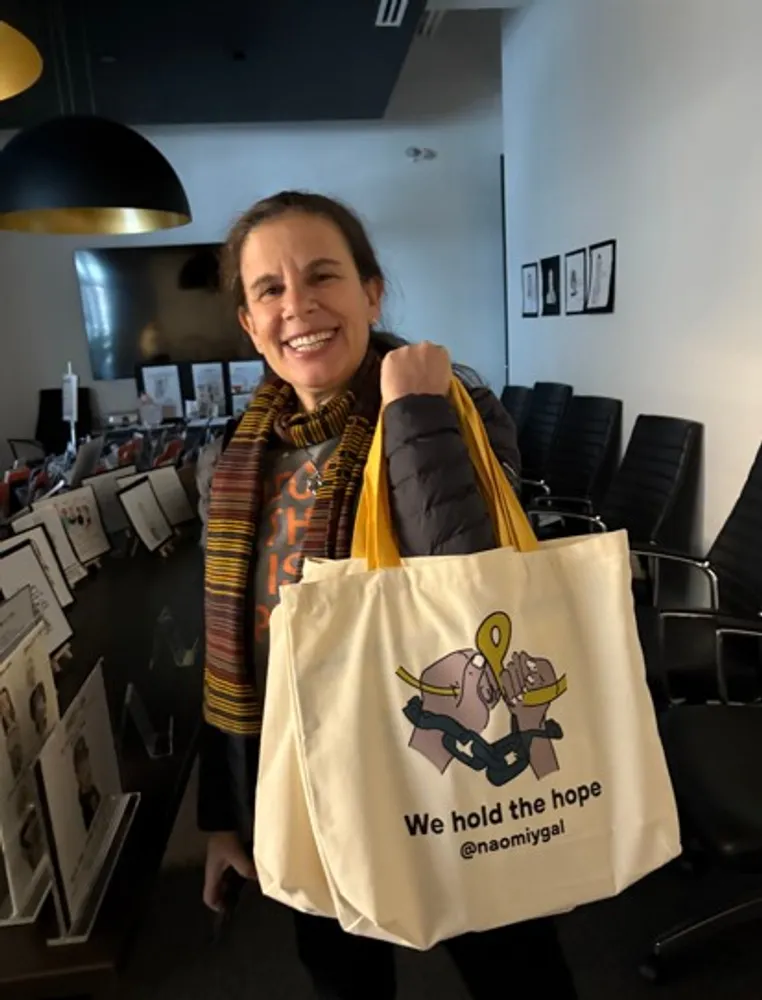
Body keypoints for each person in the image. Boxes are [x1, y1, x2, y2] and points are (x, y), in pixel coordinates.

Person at [197, 190, 578, 999]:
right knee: (346, 981)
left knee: (516, 974)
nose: (298, 305)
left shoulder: (454, 410)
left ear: (371, 293)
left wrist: (412, 413)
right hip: (313, 782)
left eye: (322, 276)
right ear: (250, 323)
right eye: (270, 289)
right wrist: (225, 815)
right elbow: (238, 646)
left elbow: (472, 583)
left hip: (453, 765)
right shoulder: (239, 456)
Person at [73, 735, 101, 832]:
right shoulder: (84, 798)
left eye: (89, 770)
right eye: (84, 771)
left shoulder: (93, 790)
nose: (89, 775)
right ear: (77, 776)